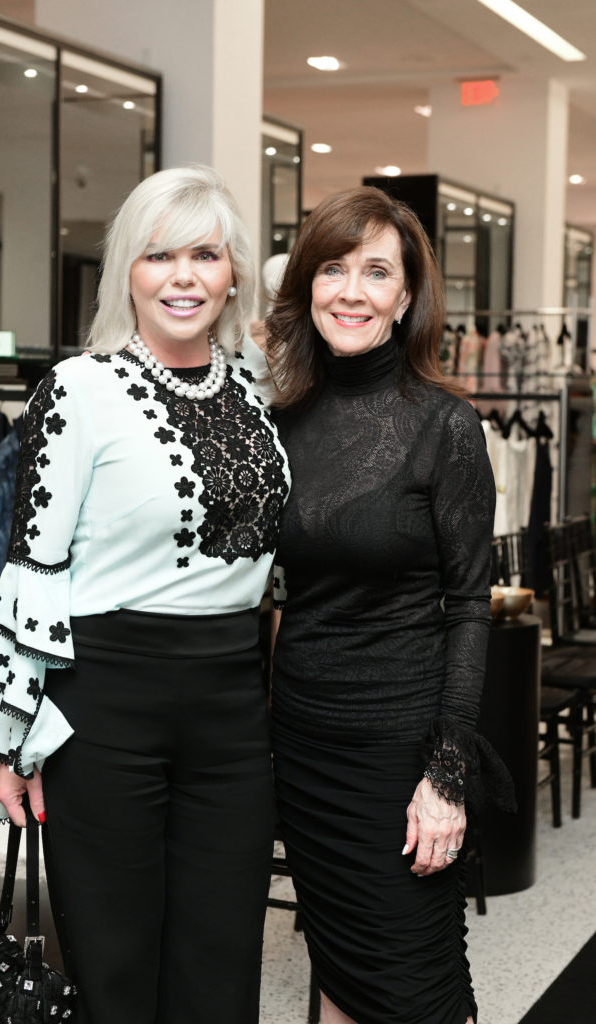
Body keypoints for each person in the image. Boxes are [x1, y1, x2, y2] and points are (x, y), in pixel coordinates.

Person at [0, 164, 290, 1024]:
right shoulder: (79, 389)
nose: (183, 277)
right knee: (114, 962)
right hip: (105, 704)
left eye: (204, 256)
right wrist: (9, 743)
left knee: (222, 956)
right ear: (128, 274)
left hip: (229, 705)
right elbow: (33, 568)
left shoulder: (262, 391)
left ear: (232, 273)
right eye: (158, 256)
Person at [266, 186, 510, 1024]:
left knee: (415, 982)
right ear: (307, 286)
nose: (351, 291)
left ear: (406, 297)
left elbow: (468, 606)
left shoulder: (445, 425)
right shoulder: (283, 420)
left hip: (397, 754)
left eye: (376, 272)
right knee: (337, 967)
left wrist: (444, 777)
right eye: (332, 268)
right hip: (303, 745)